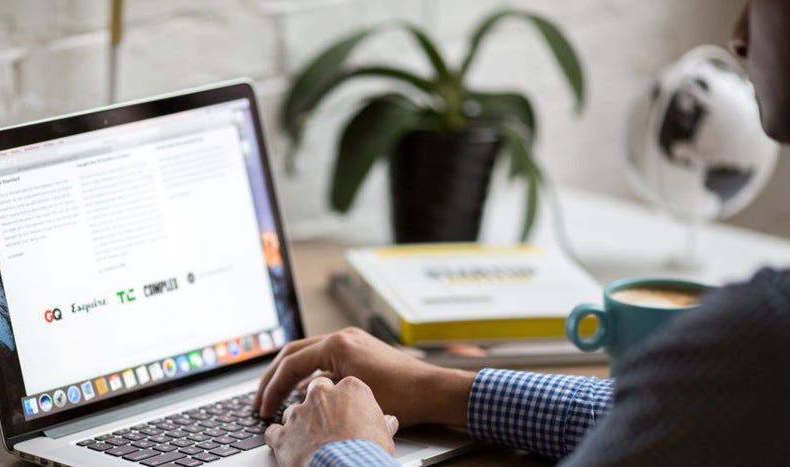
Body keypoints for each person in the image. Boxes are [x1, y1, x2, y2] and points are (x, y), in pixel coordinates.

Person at [252, 1, 790, 465]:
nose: (738, 34)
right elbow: (682, 417)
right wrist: (438, 386)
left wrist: (340, 450)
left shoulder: (763, 332)